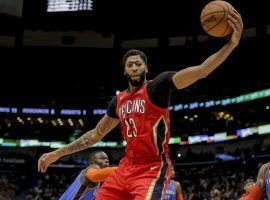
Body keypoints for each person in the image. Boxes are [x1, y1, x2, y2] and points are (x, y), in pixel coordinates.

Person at [38, 9, 243, 199]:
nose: (134, 67)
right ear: (125, 71)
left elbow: (201, 71)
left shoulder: (158, 87)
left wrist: (231, 44)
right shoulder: (118, 101)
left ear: (146, 67)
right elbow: (94, 135)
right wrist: (57, 153)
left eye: (138, 63)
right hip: (126, 167)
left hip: (152, 168)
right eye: (130, 65)